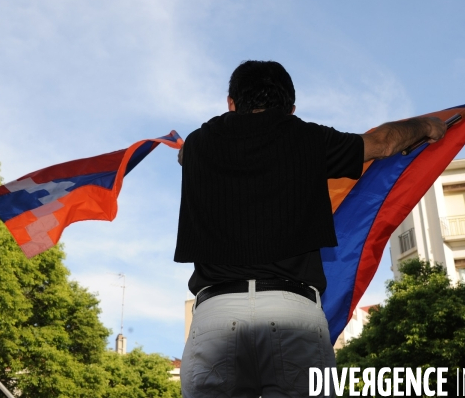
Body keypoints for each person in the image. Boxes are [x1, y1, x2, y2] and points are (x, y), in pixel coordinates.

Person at [175, 60, 446, 398]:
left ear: (231, 103)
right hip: (293, 313)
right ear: (290, 108)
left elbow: (184, 154)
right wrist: (427, 126)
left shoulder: (199, 145)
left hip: (215, 313)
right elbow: (383, 142)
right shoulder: (307, 137)